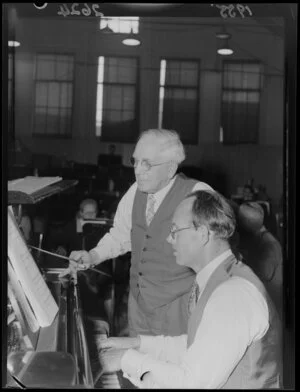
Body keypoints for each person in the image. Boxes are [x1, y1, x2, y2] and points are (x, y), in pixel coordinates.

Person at [98, 190, 282, 389]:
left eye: (175, 230)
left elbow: (192, 383)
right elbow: (198, 345)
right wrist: (137, 344)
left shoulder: (232, 294)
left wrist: (126, 359)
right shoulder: (218, 278)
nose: (169, 239)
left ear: (202, 234)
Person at [65, 129, 213, 337]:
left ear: (171, 168)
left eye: (147, 164)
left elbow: (215, 251)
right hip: (139, 307)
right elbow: (120, 236)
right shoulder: (135, 191)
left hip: (179, 308)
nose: (138, 170)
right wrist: (93, 255)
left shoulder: (198, 193)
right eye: (135, 162)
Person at [237, 201, 283, 319]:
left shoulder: (269, 245)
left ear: (247, 225)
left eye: (239, 222)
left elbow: (263, 275)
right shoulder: (256, 239)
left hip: (270, 314)